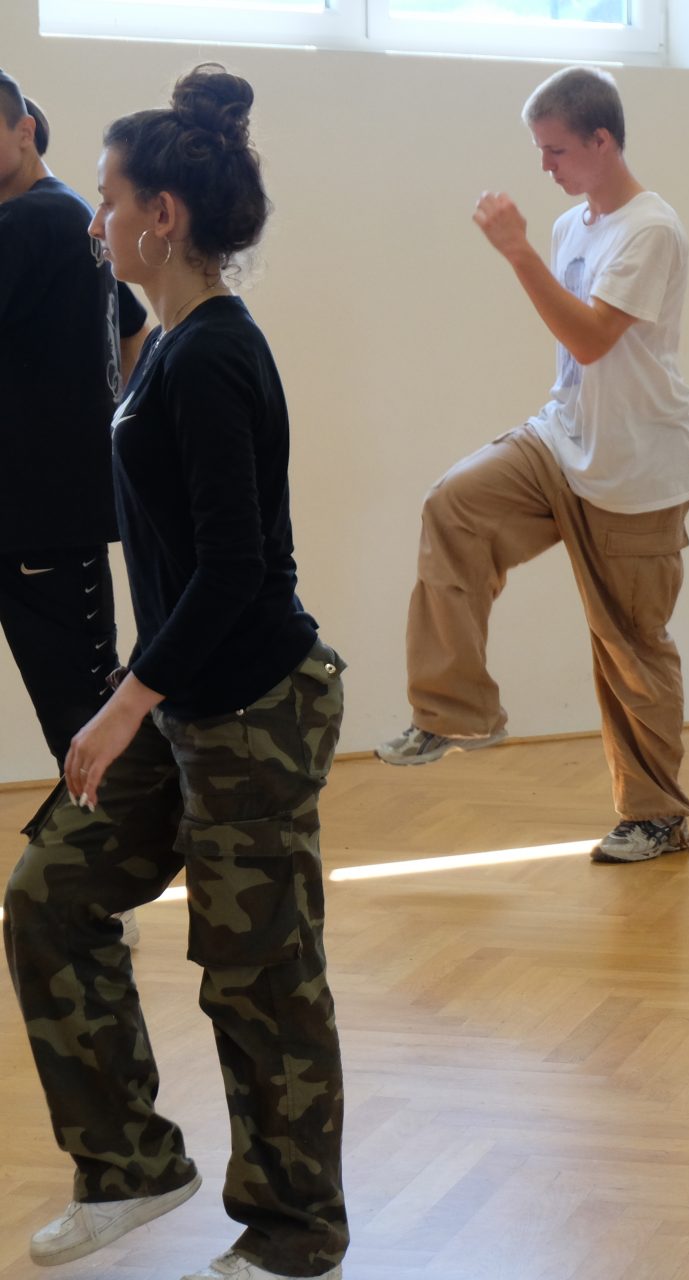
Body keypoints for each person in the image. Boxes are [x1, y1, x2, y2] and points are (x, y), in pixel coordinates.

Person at [5, 64, 349, 1280]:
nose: (91, 217)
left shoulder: (213, 357)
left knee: (261, 978)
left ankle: (296, 1231)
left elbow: (237, 569)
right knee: (49, 896)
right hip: (188, 698)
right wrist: (144, 705)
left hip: (254, 704)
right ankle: (131, 1165)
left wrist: (123, 704)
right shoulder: (165, 345)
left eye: (107, 199)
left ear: (164, 215)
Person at [375, 66, 689, 866]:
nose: (544, 167)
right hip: (561, 439)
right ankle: (454, 712)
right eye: (540, 151)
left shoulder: (651, 230)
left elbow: (590, 338)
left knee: (631, 648)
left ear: (602, 140)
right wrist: (532, 248)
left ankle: (657, 817)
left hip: (636, 470)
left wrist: (517, 253)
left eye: (555, 151)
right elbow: (576, 357)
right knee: (454, 505)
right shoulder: (570, 226)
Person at [1, 73, 152, 947]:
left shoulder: (33, 222)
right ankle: (95, 888)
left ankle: (97, 890)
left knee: (82, 715)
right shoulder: (74, 222)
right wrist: (110, 426)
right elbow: (133, 329)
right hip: (44, 514)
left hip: (38, 523)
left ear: (24, 129)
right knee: (84, 709)